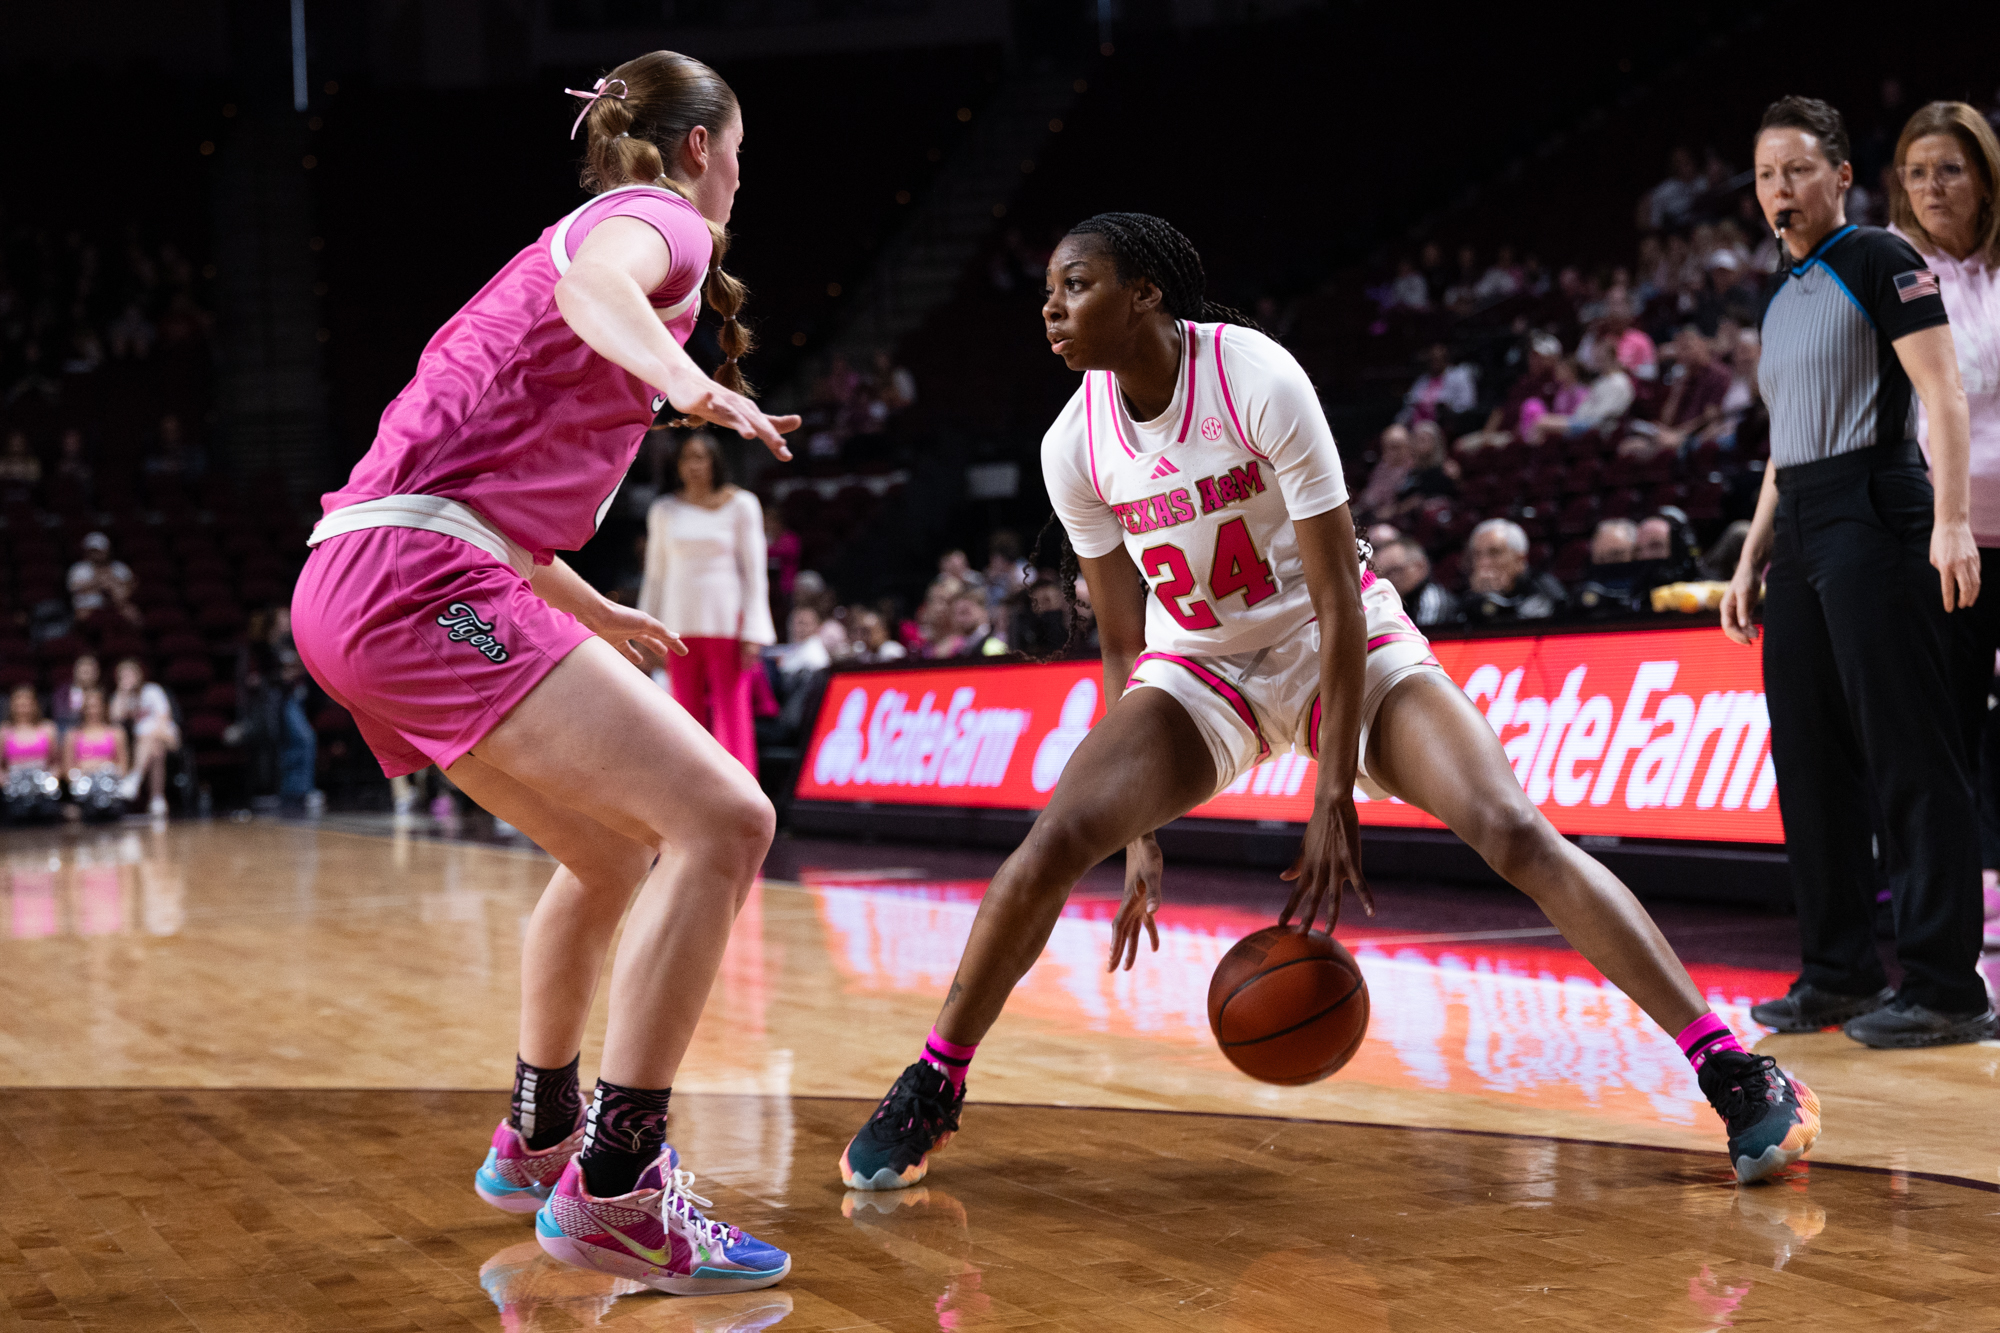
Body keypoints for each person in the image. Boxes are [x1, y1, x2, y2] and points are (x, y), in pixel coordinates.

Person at [837, 211, 1820, 1199]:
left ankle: (1728, 1065)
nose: (1051, 307)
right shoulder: (1070, 446)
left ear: (1145, 294)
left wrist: (1330, 789)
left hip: (1331, 640)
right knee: (1051, 838)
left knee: (1509, 826)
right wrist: (1131, 833)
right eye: (1046, 292)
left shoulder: (1255, 377)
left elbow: (1337, 598)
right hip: (1199, 670)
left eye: (1075, 284)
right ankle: (934, 1081)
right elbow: (1122, 640)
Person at [288, 51, 796, 1290]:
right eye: (734, 146)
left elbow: (484, 498)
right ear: (693, 149)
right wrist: (690, 385)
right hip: (418, 588)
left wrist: (593, 604)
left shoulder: (564, 237)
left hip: (377, 576)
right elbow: (601, 295)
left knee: (614, 853)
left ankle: (541, 1132)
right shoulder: (652, 224)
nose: (738, 171)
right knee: (727, 819)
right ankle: (619, 1185)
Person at [1721, 96, 1994, 1048]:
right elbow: (1779, 441)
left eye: (1798, 170)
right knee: (1809, 757)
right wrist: (1753, 554)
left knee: (1913, 754)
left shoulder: (1882, 258)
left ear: (1839, 177)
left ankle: (1945, 986)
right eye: (1765, 175)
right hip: (1801, 520)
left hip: (1879, 510)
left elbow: (1944, 392)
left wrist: (1952, 521)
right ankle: (1836, 972)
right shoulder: (1781, 295)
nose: (1780, 191)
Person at [1888, 102, 2000, 951]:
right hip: (1939, 536)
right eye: (1918, 171)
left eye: (1952, 169)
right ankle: (1962, 907)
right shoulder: (1893, 273)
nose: (1933, 186)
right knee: (1948, 729)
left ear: (1986, 177)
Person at [638, 431, 774, 775]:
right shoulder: (664, 509)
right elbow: (655, 576)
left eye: (701, 457)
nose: (694, 465)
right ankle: (692, 792)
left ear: (716, 461)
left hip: (727, 624)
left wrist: (755, 631)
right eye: (687, 457)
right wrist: (644, 629)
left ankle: (742, 800)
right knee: (683, 714)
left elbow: (754, 574)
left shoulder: (742, 504)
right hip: (677, 625)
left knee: (733, 713)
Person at [109, 657, 180, 817]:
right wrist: (123, 692)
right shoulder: (122, 697)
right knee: (156, 751)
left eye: (130, 675)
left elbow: (164, 720)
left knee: (151, 738)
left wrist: (151, 734)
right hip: (147, 744)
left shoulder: (152, 690)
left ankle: (135, 778)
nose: (128, 679)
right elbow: (114, 719)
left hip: (166, 734)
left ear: (139, 675)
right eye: (123, 676)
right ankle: (157, 799)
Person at [1460, 518, 1565, 621]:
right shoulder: (1470, 598)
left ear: (1520, 559)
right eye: (1477, 554)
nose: (1483, 562)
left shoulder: (1545, 590)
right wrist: (1480, 596)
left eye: (1494, 553)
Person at [62, 688, 129, 820]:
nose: (93, 711)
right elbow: (67, 769)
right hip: (83, 788)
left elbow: (124, 767)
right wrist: (84, 773)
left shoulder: (116, 732)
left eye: (96, 706)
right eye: (89, 707)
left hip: (109, 785)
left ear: (104, 707)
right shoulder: (72, 734)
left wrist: (104, 769)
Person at [1372, 536, 1458, 627]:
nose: (1388, 579)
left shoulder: (1431, 600)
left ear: (1420, 566)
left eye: (1395, 570)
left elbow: (1423, 638)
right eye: (1383, 574)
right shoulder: (1387, 601)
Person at [66, 532, 137, 625]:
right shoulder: (79, 569)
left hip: (117, 605)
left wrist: (111, 583)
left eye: (99, 551)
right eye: (92, 551)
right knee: (81, 617)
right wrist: (98, 582)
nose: (95, 554)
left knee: (133, 614)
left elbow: (129, 588)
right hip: (88, 607)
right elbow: (73, 588)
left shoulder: (119, 567)